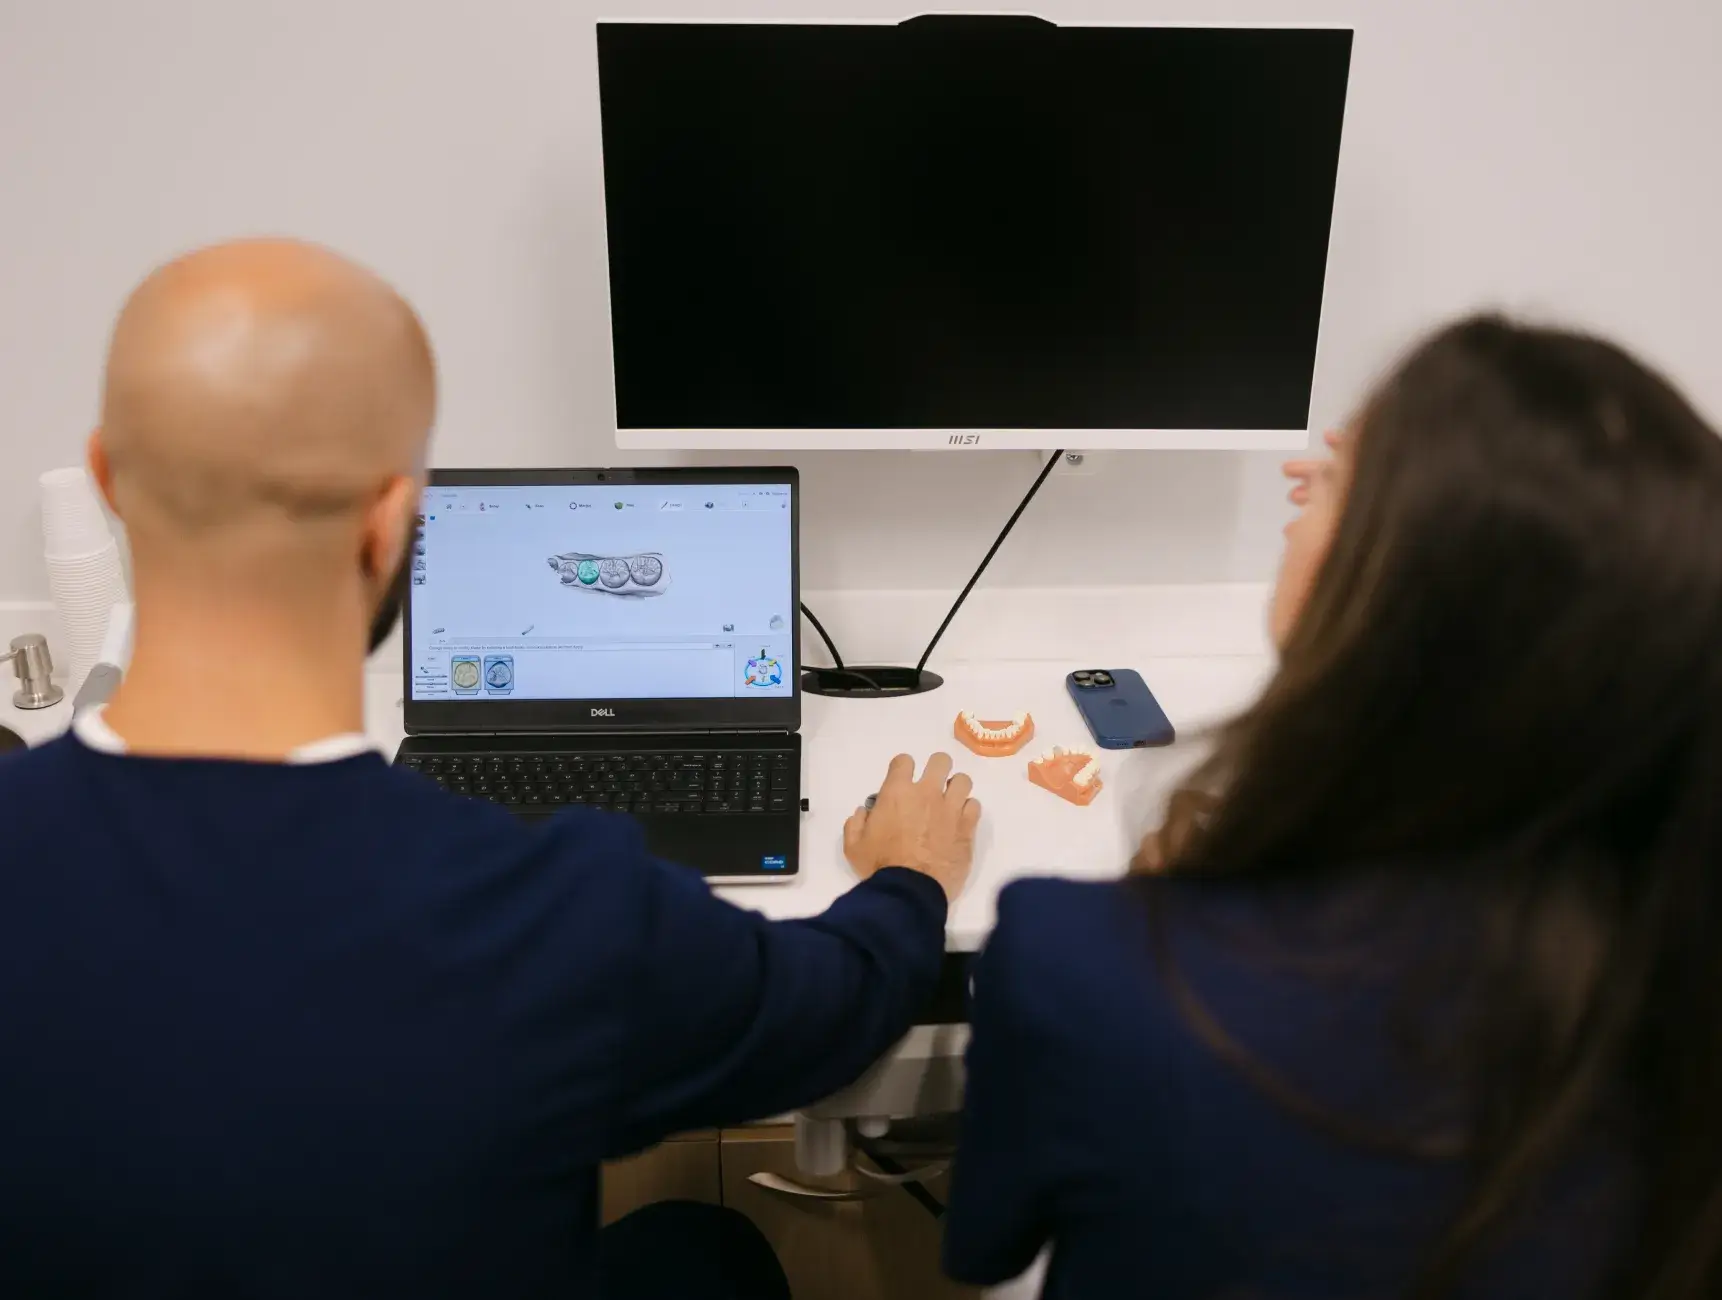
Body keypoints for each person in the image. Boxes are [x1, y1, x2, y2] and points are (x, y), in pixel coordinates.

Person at [0, 239, 983, 1300]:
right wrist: (907, 879)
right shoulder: (551, 908)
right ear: (393, 521)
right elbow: (832, 1012)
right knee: (714, 1252)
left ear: (105, 480)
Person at [943, 315, 1722, 1299]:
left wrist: (1156, 920)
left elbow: (984, 1248)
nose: (1299, 473)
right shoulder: (1676, 1003)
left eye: (1349, 470)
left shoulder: (1078, 961)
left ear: (1404, 593)